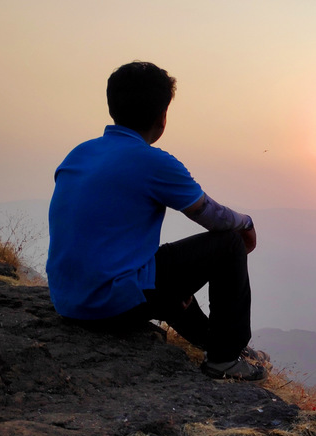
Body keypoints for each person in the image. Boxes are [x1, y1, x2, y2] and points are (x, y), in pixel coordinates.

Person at [47, 61, 265, 380]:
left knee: (156, 267)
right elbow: (213, 217)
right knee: (228, 242)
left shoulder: (79, 154)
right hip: (109, 305)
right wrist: (246, 223)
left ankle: (213, 341)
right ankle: (225, 358)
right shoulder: (152, 162)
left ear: (113, 107)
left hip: (68, 300)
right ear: (162, 118)